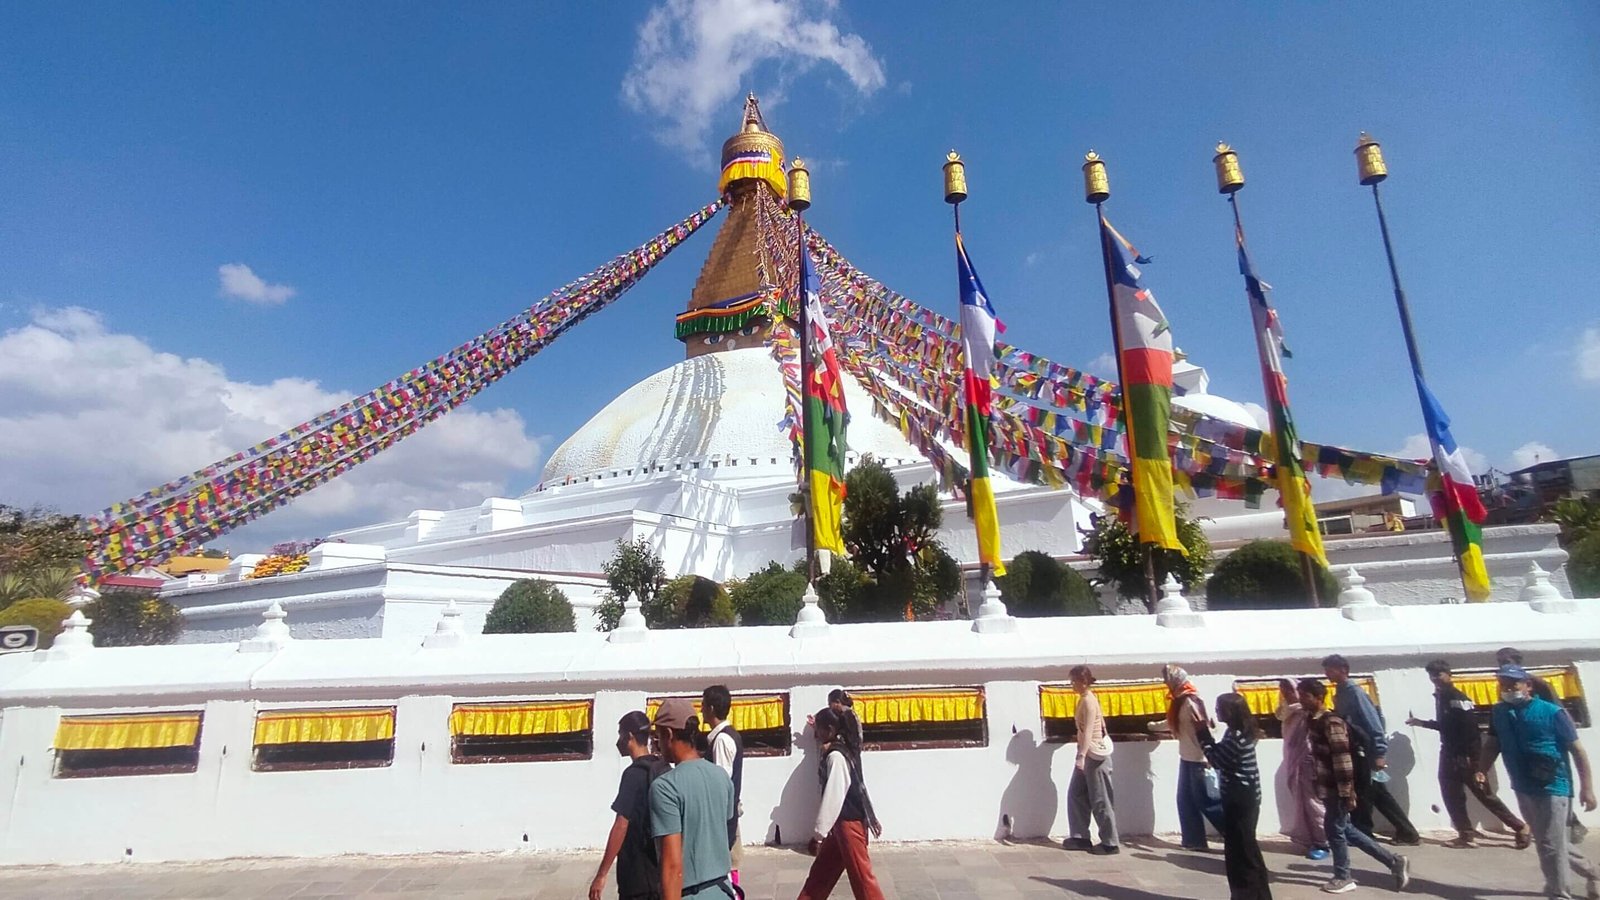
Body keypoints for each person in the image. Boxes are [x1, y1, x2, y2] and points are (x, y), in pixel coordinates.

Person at [1479, 664, 1599, 900]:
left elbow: (1578, 751)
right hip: (1522, 785)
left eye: (1513, 684)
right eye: (1503, 684)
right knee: (1549, 841)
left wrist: (1588, 789)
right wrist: (1481, 769)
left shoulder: (1552, 713)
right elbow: (1493, 743)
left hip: (1553, 786)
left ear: (1528, 685)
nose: (1508, 688)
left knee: (1550, 845)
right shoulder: (1500, 712)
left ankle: (1559, 893)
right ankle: (1593, 873)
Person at [1301, 678, 1410, 894]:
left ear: (1319, 697)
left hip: (1337, 787)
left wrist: (1347, 791)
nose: (1302, 700)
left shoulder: (1331, 722)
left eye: (1306, 696)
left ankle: (1344, 876)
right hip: (1327, 785)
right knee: (1345, 829)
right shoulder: (1312, 720)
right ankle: (1394, 861)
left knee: (1335, 831)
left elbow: (1342, 759)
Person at [1405, 659, 1530, 848]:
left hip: (1465, 755)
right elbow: (1447, 726)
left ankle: (1519, 827)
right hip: (1448, 752)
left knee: (1483, 794)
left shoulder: (1457, 697)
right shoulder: (1441, 697)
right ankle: (1465, 833)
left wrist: (1475, 759)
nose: (1435, 679)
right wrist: (1421, 723)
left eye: (1438, 674)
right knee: (1451, 794)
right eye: (1432, 675)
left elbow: (1470, 729)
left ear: (1448, 674)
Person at [1321, 654, 1420, 845]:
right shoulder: (1341, 693)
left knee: (1371, 792)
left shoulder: (1355, 693)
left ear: (1343, 670)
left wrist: (1380, 752)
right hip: (1355, 750)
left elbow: (1373, 722)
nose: (1327, 673)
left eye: (1330, 669)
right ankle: (1371, 831)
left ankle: (1376, 831)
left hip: (1365, 751)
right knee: (1370, 792)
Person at [649, 698, 738, 900]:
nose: (658, 744)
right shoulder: (721, 776)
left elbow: (672, 866)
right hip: (723, 890)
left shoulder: (665, 787)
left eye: (658, 736)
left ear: (668, 734)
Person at [797, 707, 885, 900]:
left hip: (848, 824)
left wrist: (819, 833)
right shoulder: (841, 749)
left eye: (819, 730)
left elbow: (834, 796)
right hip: (839, 826)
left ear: (829, 730)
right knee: (821, 874)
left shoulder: (836, 756)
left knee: (862, 878)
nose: (816, 735)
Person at [1198, 692, 1273, 900]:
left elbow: (1218, 759)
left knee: (1240, 851)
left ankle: (1247, 894)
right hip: (1243, 796)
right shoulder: (1236, 732)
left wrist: (1203, 735)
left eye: (1220, 708)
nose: (1217, 711)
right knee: (1246, 848)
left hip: (1240, 798)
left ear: (1230, 711)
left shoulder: (1237, 735)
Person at [592, 712, 667, 900]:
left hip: (638, 875)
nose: (619, 741)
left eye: (621, 734)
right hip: (661, 870)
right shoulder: (663, 768)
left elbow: (621, 824)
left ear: (630, 736)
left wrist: (601, 875)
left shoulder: (633, 775)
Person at [1151, 665, 1225, 850]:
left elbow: (1204, 728)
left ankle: (1236, 834)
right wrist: (1151, 726)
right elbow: (1172, 722)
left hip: (1199, 758)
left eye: (1168, 680)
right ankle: (1194, 840)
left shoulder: (1192, 701)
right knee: (1185, 800)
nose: (1166, 683)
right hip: (1186, 756)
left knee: (1207, 802)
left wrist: (1208, 754)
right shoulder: (1180, 701)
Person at [1063, 665, 1119, 855]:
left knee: (1100, 799)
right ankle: (1080, 837)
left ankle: (1110, 842)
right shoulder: (1083, 699)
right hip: (1086, 753)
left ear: (1083, 681)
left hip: (1094, 755)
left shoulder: (1089, 701)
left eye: (1074, 681)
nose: (1072, 685)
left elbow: (1088, 731)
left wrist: (1081, 756)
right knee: (1076, 794)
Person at [1277, 678, 1330, 860]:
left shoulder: (1306, 713)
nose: (1286, 694)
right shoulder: (1286, 711)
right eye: (1282, 690)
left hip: (1308, 762)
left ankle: (1324, 841)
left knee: (1314, 804)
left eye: (1289, 690)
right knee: (1302, 803)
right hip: (1293, 761)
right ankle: (1310, 839)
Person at [702, 685, 745, 890]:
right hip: (728, 815)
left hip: (723, 819)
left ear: (711, 708)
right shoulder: (728, 736)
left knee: (725, 870)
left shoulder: (722, 740)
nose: (701, 710)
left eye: (703, 705)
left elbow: (721, 784)